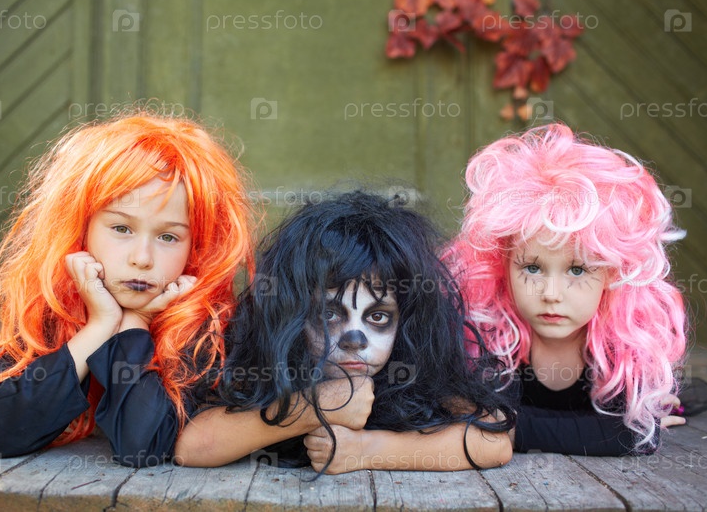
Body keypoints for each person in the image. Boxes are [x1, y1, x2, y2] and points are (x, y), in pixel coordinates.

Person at [0, 113, 255, 467]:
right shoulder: (50, 304)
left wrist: (135, 322)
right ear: (81, 227)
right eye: (121, 229)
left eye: (168, 237)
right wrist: (99, 326)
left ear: (195, 248)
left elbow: (142, 444)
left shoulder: (205, 324)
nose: (142, 258)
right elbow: (2, 431)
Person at [175, 191, 515, 474]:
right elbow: (192, 447)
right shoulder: (268, 372)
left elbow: (494, 442)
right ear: (294, 316)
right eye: (329, 314)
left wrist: (367, 450)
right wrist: (315, 406)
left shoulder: (415, 377)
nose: (355, 340)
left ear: (406, 321)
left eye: (378, 317)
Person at [441, 123, 687, 456]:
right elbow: (473, 418)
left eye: (577, 269)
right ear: (502, 267)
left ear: (612, 273)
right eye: (532, 268)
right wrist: (611, 431)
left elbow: (630, 435)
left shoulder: (623, 350)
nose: (552, 293)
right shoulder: (489, 339)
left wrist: (506, 427)